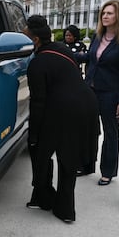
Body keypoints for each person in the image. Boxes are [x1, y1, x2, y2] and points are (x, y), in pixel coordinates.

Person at [24, 15, 99, 223]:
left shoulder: (37, 64)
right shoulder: (61, 49)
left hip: (64, 111)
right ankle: (65, 210)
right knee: (68, 160)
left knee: (40, 152)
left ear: (35, 40)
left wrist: (34, 134)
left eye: (25, 36)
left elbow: (38, 103)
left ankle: (44, 198)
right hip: (86, 105)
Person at [76, 0, 119, 185]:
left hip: (110, 94)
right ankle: (85, 166)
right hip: (90, 91)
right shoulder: (97, 35)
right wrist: (66, 53)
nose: (105, 16)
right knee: (87, 130)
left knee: (111, 134)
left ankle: (108, 172)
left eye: (109, 13)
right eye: (103, 13)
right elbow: (90, 58)